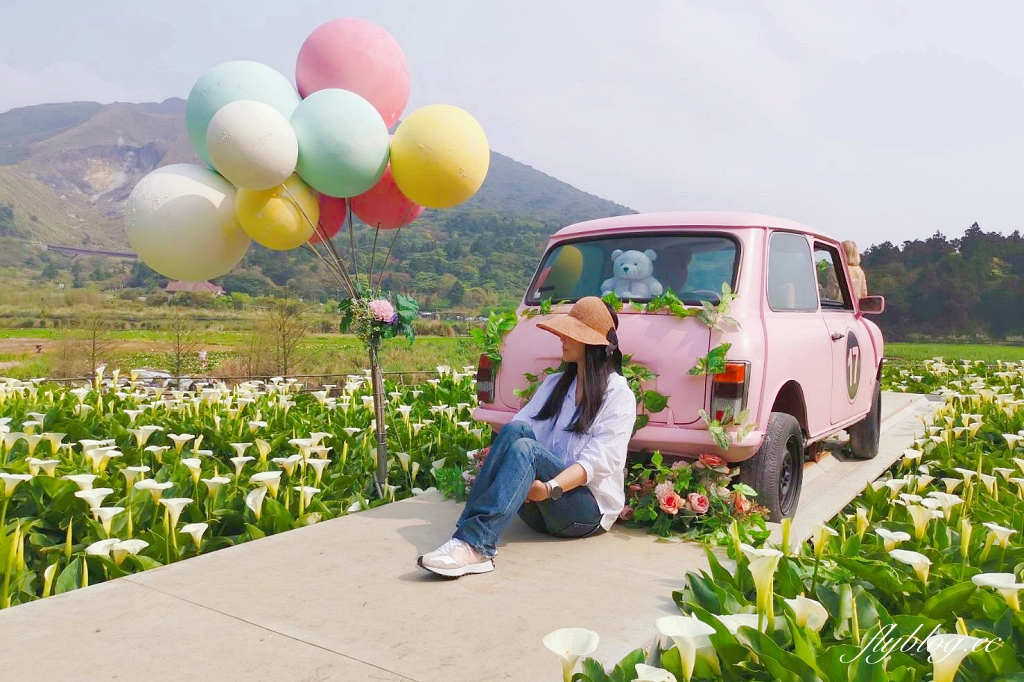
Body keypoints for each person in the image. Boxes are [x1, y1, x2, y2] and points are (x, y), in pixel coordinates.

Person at [418, 296, 636, 578]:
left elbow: (598, 463)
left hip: (582, 513)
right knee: (514, 431)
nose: (562, 338)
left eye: (571, 334)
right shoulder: (556, 384)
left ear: (592, 344)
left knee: (527, 449)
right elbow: (519, 429)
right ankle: (466, 538)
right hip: (539, 509)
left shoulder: (617, 395)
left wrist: (548, 489)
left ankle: (476, 547)